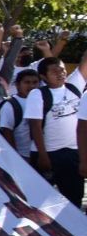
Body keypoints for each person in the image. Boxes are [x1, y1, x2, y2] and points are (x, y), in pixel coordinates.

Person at [25, 55, 83, 206]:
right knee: (41, 202)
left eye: (62, 70)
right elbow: (35, 126)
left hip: (72, 153)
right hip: (48, 154)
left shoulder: (73, 86)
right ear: (44, 76)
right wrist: (43, 156)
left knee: (74, 197)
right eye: (54, 71)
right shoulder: (37, 94)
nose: (61, 74)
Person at [0, 69, 39, 159]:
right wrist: (16, 159)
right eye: (27, 82)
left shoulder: (41, 101)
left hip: (41, 154)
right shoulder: (10, 105)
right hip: (23, 156)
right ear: (17, 85)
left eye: (35, 82)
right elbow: (7, 133)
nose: (32, 86)